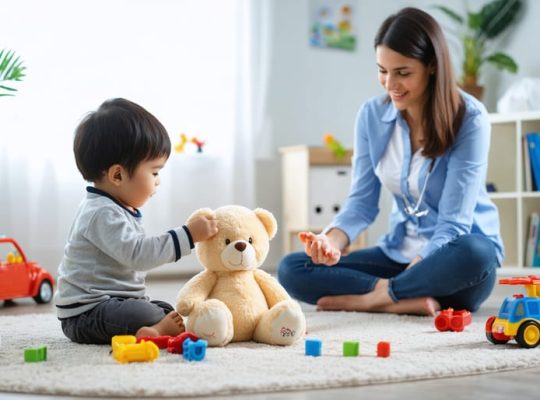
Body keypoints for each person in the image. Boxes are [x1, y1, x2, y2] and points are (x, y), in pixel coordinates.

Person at [278, 7, 504, 316]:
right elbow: (361, 204)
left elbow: (454, 224)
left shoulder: (470, 119)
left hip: (452, 260)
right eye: (382, 70)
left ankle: (373, 298)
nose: (389, 84)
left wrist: (409, 275)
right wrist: (329, 241)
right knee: (292, 268)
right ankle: (403, 298)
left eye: (403, 72)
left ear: (433, 67)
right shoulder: (371, 116)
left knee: (477, 253)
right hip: (398, 254)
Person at [54, 98, 218, 344]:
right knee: (144, 313)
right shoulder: (101, 213)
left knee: (163, 309)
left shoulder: (115, 207)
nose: (158, 181)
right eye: (154, 172)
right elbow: (139, 255)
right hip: (86, 313)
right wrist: (188, 235)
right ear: (118, 175)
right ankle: (154, 329)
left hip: (112, 304)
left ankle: (156, 324)